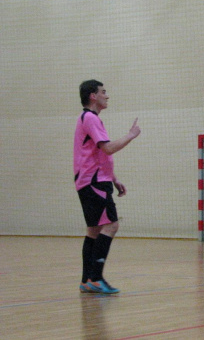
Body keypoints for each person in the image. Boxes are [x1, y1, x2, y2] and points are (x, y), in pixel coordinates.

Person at [74, 79, 141, 294]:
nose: (107, 95)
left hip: (91, 180)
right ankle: (96, 277)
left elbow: (98, 156)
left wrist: (113, 178)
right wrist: (131, 135)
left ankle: (87, 280)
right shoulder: (90, 118)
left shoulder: (88, 119)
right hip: (94, 183)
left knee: (94, 230)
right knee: (111, 225)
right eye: (103, 92)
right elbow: (109, 149)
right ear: (93, 96)